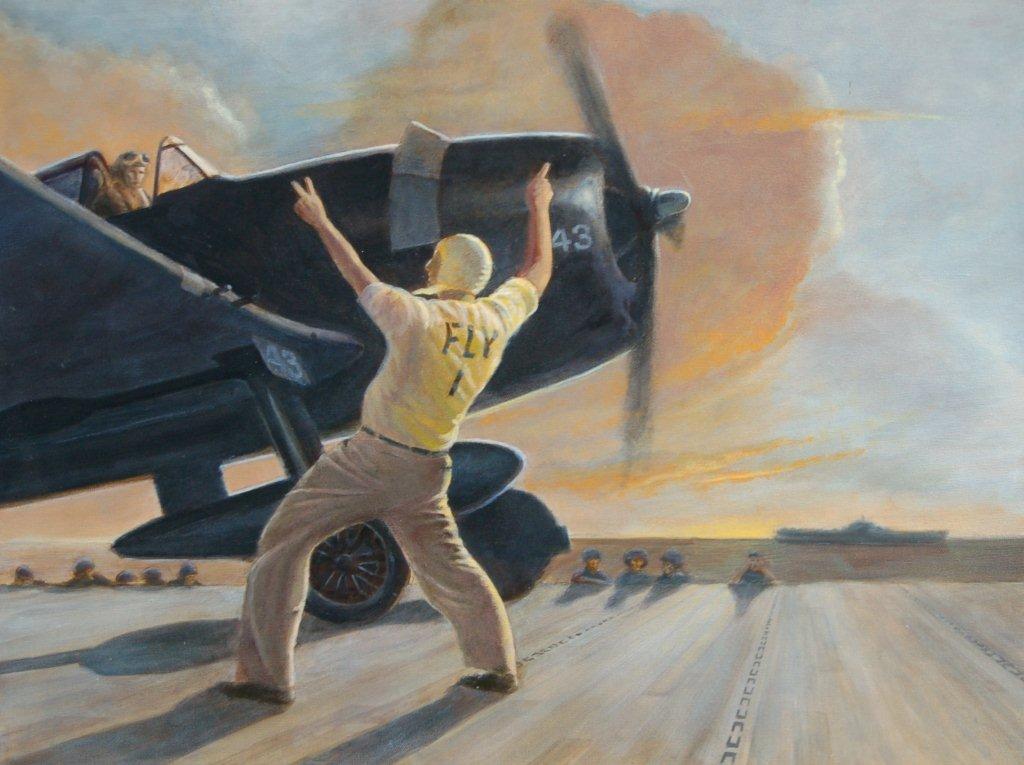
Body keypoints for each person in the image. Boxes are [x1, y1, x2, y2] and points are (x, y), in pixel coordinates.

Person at [221, 164, 554, 705]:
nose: (425, 265)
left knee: (282, 543)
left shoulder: (414, 315)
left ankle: (265, 678)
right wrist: (540, 206)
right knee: (450, 566)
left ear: (439, 269)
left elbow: (356, 273)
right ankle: (496, 666)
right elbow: (537, 271)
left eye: (433, 260)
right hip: (428, 468)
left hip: (370, 460)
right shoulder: (497, 318)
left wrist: (321, 222)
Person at [90, 150, 151, 217]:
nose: (137, 177)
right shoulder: (108, 195)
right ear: (122, 173)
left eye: (141, 172)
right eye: (132, 172)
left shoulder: (144, 195)